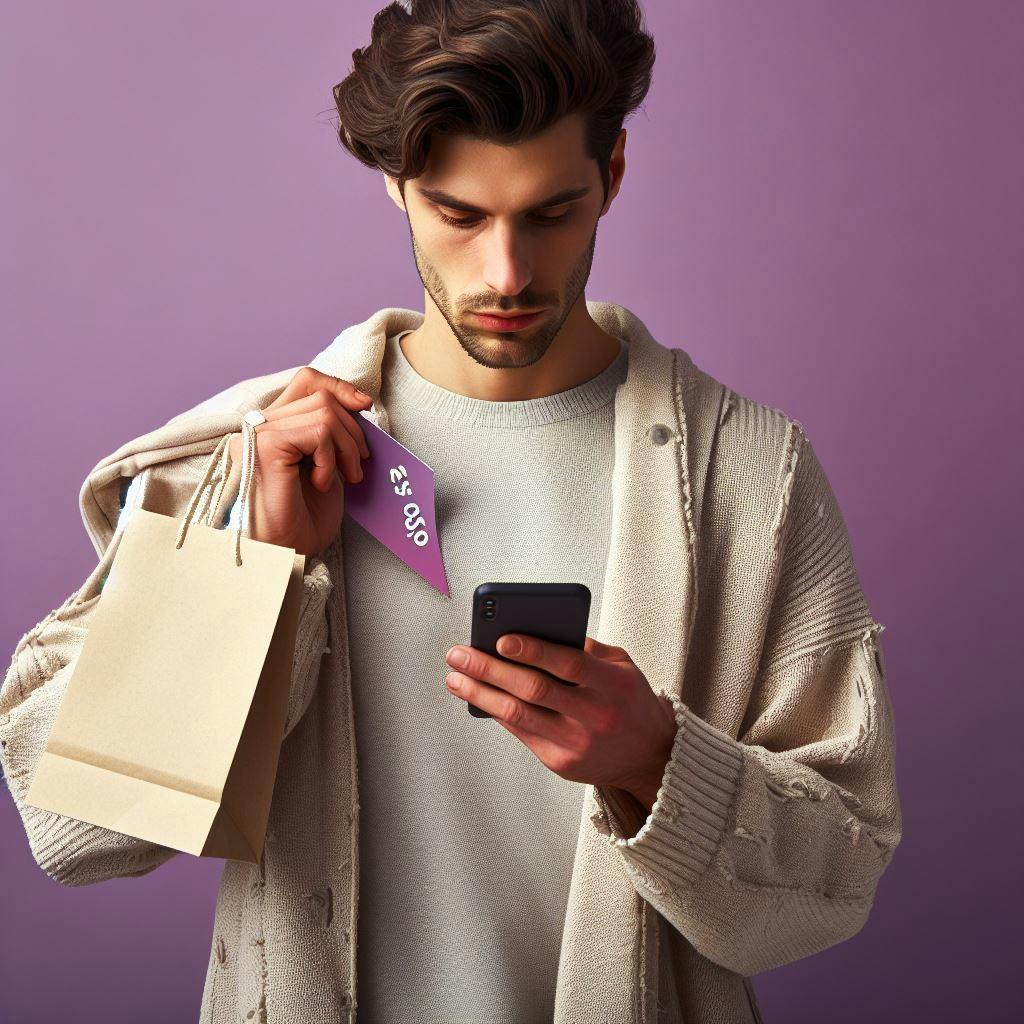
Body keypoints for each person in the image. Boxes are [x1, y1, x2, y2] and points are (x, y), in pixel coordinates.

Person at [0, 2, 902, 1022]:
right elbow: (73, 829)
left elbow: (836, 883)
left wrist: (655, 757)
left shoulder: (751, 473)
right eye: (458, 213)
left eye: (550, 212)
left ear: (612, 175)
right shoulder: (249, 459)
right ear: (395, 184)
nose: (505, 272)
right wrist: (250, 569)